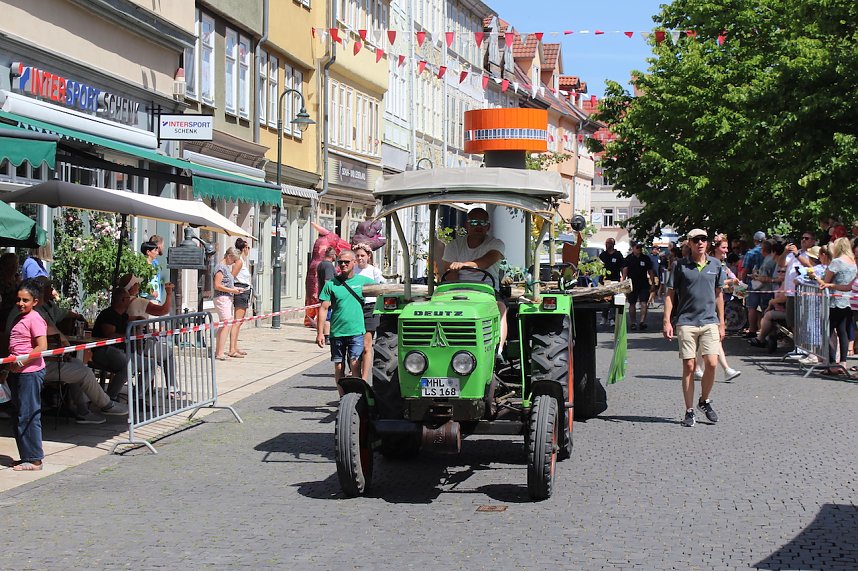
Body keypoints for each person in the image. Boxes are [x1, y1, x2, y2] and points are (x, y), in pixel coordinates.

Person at [6, 279, 128, 424]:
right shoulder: (33, 315)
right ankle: (105, 405)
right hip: (37, 365)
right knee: (83, 372)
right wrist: (63, 343)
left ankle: (82, 411)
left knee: (77, 366)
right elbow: (43, 343)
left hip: (35, 363)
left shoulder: (37, 311)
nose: (51, 290)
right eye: (48, 288)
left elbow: (53, 329)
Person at [663, 229, 725, 427]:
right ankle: (689, 411)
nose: (700, 243)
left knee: (712, 363)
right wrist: (666, 321)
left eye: (704, 239)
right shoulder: (680, 266)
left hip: (709, 320)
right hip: (686, 321)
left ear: (707, 243)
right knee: (689, 366)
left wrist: (722, 322)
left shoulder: (715, 265)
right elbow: (670, 294)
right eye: (696, 240)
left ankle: (704, 401)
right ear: (689, 243)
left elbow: (719, 295)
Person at [441, 207, 509, 353]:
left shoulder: (496, 244)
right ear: (467, 225)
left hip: (487, 290)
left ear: (488, 227)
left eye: (482, 222)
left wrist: (463, 265)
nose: (478, 226)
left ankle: (498, 349)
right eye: (474, 222)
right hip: (459, 290)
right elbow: (450, 271)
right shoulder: (454, 245)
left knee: (500, 307)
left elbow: (486, 261)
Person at [315, 249, 376, 396]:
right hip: (337, 331)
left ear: (354, 263)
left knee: (355, 364)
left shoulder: (364, 282)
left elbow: (382, 291)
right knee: (338, 366)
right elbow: (323, 308)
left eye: (346, 262)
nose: (343, 265)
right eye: (340, 262)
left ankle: (356, 397)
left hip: (356, 330)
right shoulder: (331, 284)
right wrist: (320, 333)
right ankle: (342, 397)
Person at [5, 280, 47, 471]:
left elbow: (41, 347)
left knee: (29, 415)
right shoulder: (18, 317)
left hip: (30, 373)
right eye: (19, 299)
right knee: (19, 415)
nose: (21, 303)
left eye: (26, 300)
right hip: (16, 373)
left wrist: (21, 362)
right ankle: (26, 456)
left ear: (35, 301)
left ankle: (35, 459)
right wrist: (9, 368)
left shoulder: (35, 319)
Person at [694, 234, 741, 381]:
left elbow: (720, 284)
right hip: (708, 305)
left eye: (727, 248)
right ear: (715, 249)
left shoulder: (721, 264)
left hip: (719, 304)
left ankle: (696, 368)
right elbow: (715, 284)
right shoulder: (710, 263)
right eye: (724, 248)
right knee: (715, 338)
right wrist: (730, 281)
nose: (726, 251)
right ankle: (727, 369)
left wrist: (734, 283)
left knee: (709, 339)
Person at [814, 237, 857, 376]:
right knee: (842, 332)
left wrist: (814, 276)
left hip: (833, 300)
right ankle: (843, 362)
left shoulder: (837, 262)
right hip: (848, 301)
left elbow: (825, 281)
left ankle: (832, 362)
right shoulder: (853, 262)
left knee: (826, 331)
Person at [353, 243, 385, 380]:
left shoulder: (373, 271)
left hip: (370, 308)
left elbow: (383, 287)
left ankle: (364, 378)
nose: (360, 258)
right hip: (355, 309)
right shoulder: (352, 270)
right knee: (355, 344)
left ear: (368, 256)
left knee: (366, 345)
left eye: (362, 255)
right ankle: (355, 372)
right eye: (357, 256)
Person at [213, 247, 243, 361]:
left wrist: (235, 289)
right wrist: (232, 290)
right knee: (226, 324)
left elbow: (225, 285)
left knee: (225, 324)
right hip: (222, 297)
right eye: (233, 260)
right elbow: (217, 285)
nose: (233, 263)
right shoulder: (220, 267)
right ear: (229, 256)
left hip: (226, 297)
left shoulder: (224, 267)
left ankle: (219, 351)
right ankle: (219, 352)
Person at [622, 243, 655, 330]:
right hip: (632, 284)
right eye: (637, 247)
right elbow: (625, 271)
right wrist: (623, 282)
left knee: (644, 302)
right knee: (632, 303)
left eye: (640, 248)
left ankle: (642, 322)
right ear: (633, 248)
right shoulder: (629, 258)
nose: (639, 249)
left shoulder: (645, 258)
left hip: (643, 283)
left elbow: (651, 271)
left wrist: (653, 283)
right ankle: (633, 322)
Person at [740, 231, 767, 338]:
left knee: (751, 307)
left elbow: (745, 270)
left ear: (755, 241)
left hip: (752, 283)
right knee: (765, 307)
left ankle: (752, 330)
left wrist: (742, 283)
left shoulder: (750, 253)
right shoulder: (768, 252)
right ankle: (764, 330)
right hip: (767, 282)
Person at [230, 238, 253, 357]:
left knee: (240, 321)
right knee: (237, 321)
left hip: (245, 291)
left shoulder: (242, 261)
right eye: (248, 247)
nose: (248, 250)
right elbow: (231, 277)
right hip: (240, 291)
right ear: (244, 249)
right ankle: (232, 349)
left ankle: (235, 347)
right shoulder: (238, 261)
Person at [316, 247, 337, 344]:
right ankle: (327, 337)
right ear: (332, 255)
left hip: (322, 294)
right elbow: (328, 281)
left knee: (323, 315)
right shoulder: (328, 266)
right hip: (327, 296)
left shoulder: (321, 264)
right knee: (328, 317)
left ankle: (321, 335)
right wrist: (330, 296)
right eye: (335, 255)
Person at [147, 234, 166, 304]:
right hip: (150, 299)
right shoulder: (148, 263)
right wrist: (152, 292)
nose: (163, 247)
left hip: (155, 299)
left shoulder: (155, 262)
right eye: (162, 245)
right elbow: (144, 280)